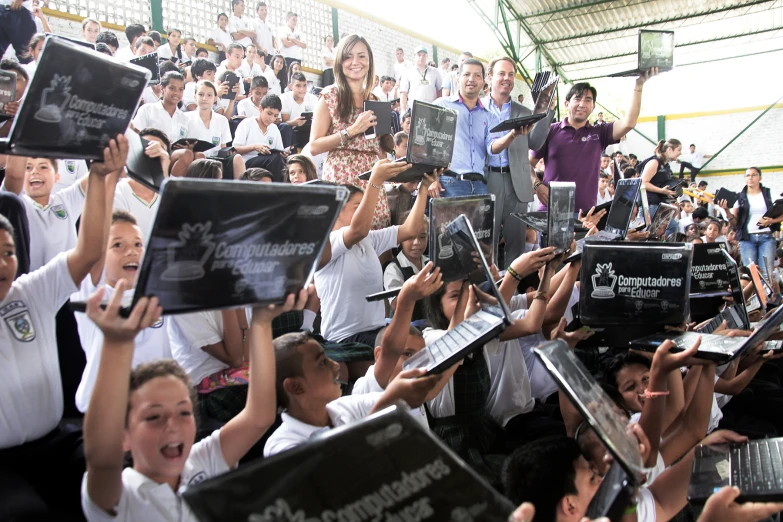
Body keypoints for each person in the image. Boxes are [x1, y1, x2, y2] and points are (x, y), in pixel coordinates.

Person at [81, 279, 306, 521]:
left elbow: (259, 417)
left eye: (184, 412)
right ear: (123, 436)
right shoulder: (122, 497)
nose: (172, 424)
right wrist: (117, 344)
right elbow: (102, 459)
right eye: (154, 416)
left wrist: (261, 323)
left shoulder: (202, 462)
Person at [0, 137, 126, 521]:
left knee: (122, 478)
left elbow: (88, 251)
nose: (4, 262)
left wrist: (102, 175)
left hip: (56, 441)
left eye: (7, 252)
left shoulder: (30, 292)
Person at [314, 160, 436, 380]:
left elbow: (410, 229)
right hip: (345, 338)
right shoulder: (328, 243)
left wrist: (423, 189)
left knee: (420, 343)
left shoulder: (370, 239)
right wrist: (376, 181)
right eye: (357, 206)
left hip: (377, 330)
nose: (365, 211)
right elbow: (358, 229)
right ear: (336, 213)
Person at [264, 329, 437, 457]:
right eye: (322, 363)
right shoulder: (281, 447)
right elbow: (342, 475)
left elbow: (400, 399)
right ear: (295, 387)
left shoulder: (347, 407)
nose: (336, 365)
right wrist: (387, 404)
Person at [531, 70, 657, 212]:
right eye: (577, 98)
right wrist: (537, 185)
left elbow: (629, 123)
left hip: (586, 216)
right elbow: (527, 164)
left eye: (588, 100)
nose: (582, 104)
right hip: (551, 212)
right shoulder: (550, 131)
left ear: (593, 106)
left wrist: (638, 86)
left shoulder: (600, 132)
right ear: (566, 104)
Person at [309, 34, 393, 229]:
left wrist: (389, 141)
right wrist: (353, 130)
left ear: (370, 61)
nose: (355, 62)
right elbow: (314, 146)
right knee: (344, 241)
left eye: (362, 56)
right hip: (341, 178)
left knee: (378, 236)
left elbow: (381, 149)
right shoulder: (330, 95)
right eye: (348, 56)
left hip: (372, 179)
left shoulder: (376, 100)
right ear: (339, 62)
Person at [482, 56, 555, 265]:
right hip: (489, 180)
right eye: (501, 73)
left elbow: (536, 142)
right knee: (488, 241)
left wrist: (546, 110)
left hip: (518, 183)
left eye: (511, 74)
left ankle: (512, 292)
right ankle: (491, 291)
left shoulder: (523, 111)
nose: (507, 78)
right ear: (490, 77)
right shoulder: (479, 108)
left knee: (517, 243)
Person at [429, 59, 515, 199]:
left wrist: (513, 134)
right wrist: (431, 179)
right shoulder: (441, 105)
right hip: (448, 184)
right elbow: (426, 144)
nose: (471, 79)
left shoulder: (489, 115)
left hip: (480, 186)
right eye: (466, 74)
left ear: (483, 82)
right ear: (457, 79)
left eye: (477, 75)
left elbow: (492, 148)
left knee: (481, 222)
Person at [727, 167, 781, 279]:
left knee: (766, 273)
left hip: (766, 236)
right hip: (747, 239)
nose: (750, 178)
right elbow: (734, 222)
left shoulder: (769, 193)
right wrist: (727, 210)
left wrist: (772, 221)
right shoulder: (740, 196)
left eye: (754, 175)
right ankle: (753, 296)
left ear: (759, 177)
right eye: (747, 175)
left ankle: (766, 296)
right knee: (751, 274)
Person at [232, 93, 286, 181]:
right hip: (248, 162)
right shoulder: (247, 123)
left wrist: (284, 154)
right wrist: (254, 147)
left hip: (269, 161)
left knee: (281, 159)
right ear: (260, 109)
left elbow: (279, 150)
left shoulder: (274, 128)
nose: (272, 119)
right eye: (269, 113)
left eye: (275, 116)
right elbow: (235, 149)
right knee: (276, 159)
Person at [131, 72, 190, 143]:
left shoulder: (185, 118)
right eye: (172, 88)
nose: (176, 93)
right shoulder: (147, 109)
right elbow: (136, 135)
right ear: (162, 88)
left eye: (180, 89)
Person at [639, 138, 682, 216]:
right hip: (649, 205)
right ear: (669, 150)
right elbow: (643, 183)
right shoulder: (654, 162)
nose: (680, 153)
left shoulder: (666, 166)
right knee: (672, 226)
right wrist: (661, 191)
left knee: (673, 226)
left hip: (659, 204)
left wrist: (669, 192)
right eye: (679, 150)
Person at [398, 45, 441, 115]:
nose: (421, 57)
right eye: (419, 55)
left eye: (424, 55)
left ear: (427, 57)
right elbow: (403, 93)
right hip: (413, 110)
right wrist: (403, 110)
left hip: (431, 110)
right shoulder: (408, 73)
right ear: (414, 56)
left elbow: (440, 91)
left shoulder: (435, 72)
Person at [280, 72, 318, 149]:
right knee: (286, 128)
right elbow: (284, 121)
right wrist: (293, 123)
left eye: (304, 86)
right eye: (298, 86)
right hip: (292, 130)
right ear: (291, 86)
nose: (302, 89)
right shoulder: (284, 98)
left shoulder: (313, 98)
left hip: (309, 130)